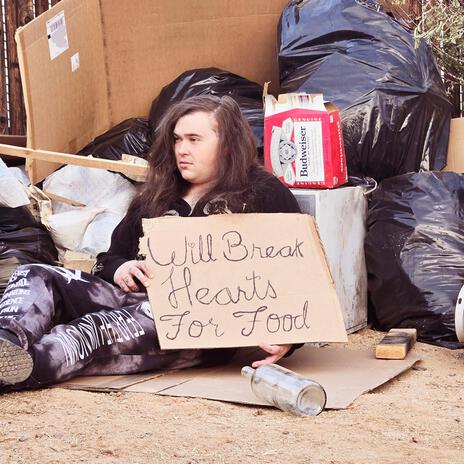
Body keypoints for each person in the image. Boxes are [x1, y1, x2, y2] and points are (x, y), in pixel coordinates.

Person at [0, 95, 301, 392]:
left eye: (194, 139)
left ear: (227, 144)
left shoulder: (263, 193)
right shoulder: (156, 196)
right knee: (35, 273)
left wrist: (290, 337)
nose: (182, 149)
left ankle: (17, 371)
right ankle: (7, 343)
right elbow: (108, 259)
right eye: (177, 139)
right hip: (134, 301)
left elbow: (303, 274)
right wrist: (120, 269)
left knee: (90, 332)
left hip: (197, 324)